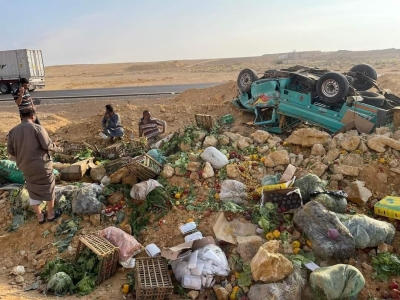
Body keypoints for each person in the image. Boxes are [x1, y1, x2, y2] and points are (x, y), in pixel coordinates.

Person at [7, 107, 62, 224]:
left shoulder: (12, 132)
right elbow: (47, 145)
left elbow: (11, 151)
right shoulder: (37, 128)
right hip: (41, 165)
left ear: (21, 117)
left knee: (32, 189)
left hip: (25, 167)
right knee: (48, 187)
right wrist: (56, 146)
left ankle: (40, 217)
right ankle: (51, 214)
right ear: (33, 116)